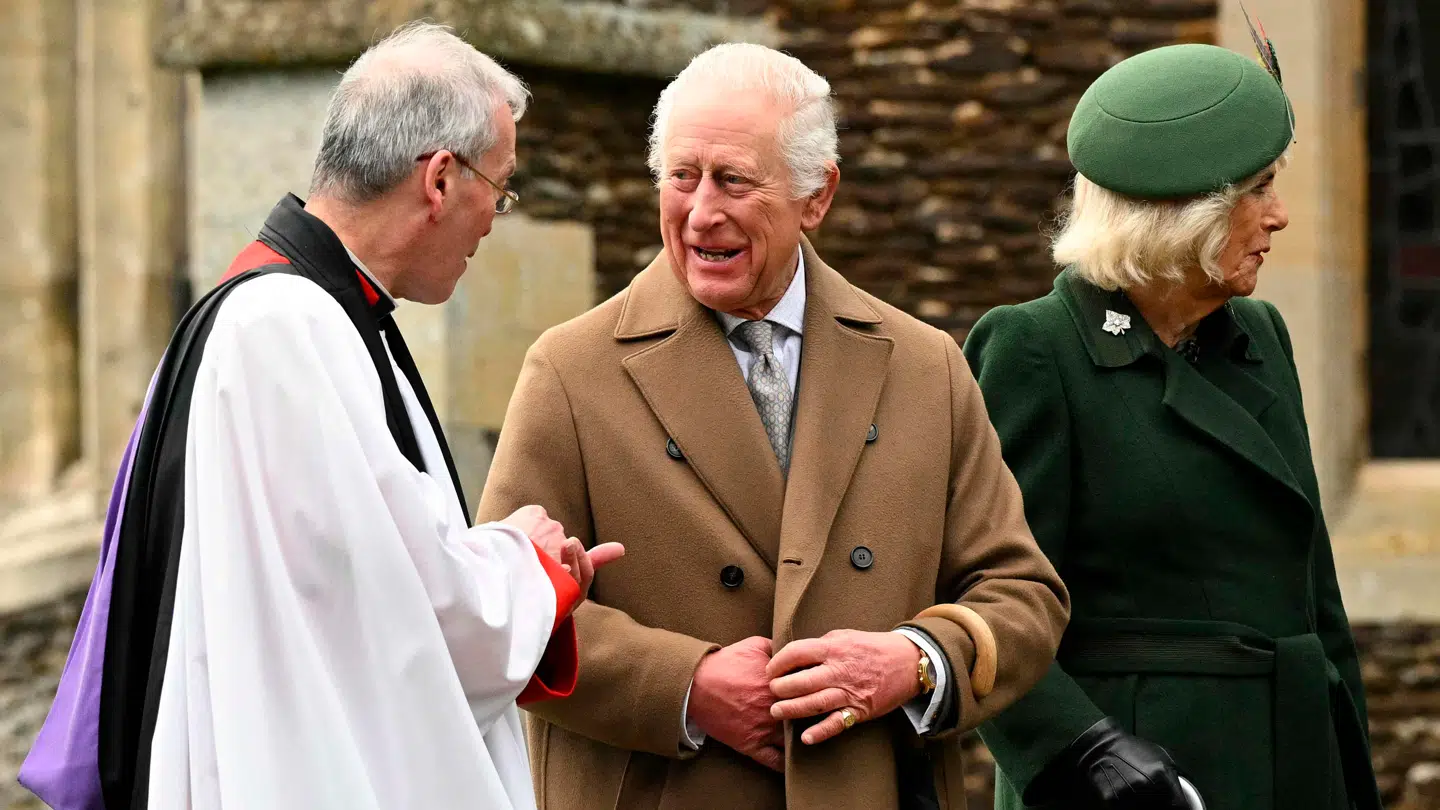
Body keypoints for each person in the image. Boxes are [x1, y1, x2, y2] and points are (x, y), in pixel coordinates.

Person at [19, 21, 622, 810]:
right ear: (440, 179)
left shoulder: (309, 316)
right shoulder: (286, 330)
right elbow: (398, 612)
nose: (492, 218)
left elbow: (357, 579)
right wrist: (529, 567)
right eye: (498, 190)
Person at [476, 43, 1069, 810]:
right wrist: (685, 685)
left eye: (734, 181)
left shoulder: (926, 367)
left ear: (816, 197)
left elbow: (1022, 594)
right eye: (681, 176)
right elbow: (503, 610)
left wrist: (915, 661)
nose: (700, 212)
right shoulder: (571, 370)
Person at [966, 42, 1381, 810]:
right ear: (1180, 214)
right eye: (1258, 190)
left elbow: (1315, 596)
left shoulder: (1258, 335)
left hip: (1294, 767)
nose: (1280, 216)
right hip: (1134, 782)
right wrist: (1078, 752)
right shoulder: (1036, 350)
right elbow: (987, 599)